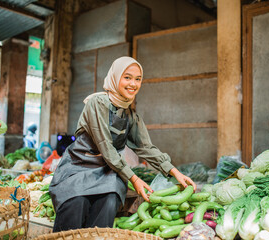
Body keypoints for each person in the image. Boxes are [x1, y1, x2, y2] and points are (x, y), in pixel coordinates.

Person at [49, 56, 196, 232]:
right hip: (78, 167)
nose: (133, 84)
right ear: (115, 77)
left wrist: (175, 172)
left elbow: (146, 148)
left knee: (110, 200)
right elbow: (105, 146)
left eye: (138, 79)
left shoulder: (131, 116)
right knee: (75, 201)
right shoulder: (96, 104)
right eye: (127, 77)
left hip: (108, 172)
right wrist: (134, 178)